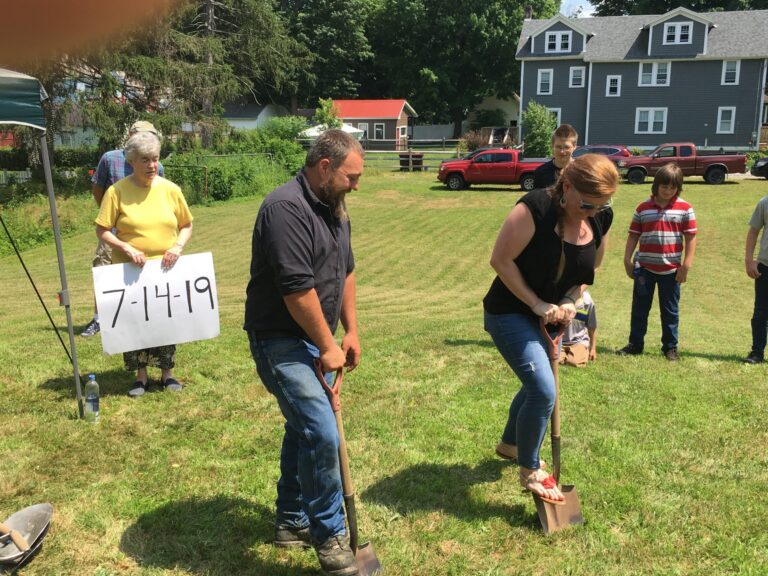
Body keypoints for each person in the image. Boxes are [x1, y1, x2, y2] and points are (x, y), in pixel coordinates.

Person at [245, 129, 364, 576]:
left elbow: (346, 270)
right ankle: (329, 535)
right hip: (278, 339)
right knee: (320, 431)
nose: (356, 185)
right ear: (325, 167)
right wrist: (328, 344)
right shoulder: (285, 209)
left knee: (303, 427)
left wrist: (349, 331)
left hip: (317, 337)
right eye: (351, 177)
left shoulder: (336, 209)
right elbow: (297, 291)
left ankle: (292, 520)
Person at [484, 154, 618, 504]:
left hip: (554, 315)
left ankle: (511, 444)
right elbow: (500, 260)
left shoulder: (600, 217)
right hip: (509, 311)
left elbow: (589, 273)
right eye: (587, 203)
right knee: (544, 389)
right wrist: (536, 303)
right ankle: (530, 468)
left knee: (537, 383)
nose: (593, 212)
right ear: (568, 186)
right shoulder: (535, 209)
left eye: (602, 204)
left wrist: (572, 299)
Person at [95, 131, 193, 397]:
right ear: (131, 162)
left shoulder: (171, 189)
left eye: (155, 159)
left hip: (165, 270)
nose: (151, 165)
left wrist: (177, 246)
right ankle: (140, 377)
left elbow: (186, 224)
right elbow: (102, 230)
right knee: (136, 322)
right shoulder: (116, 191)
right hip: (129, 271)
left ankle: (167, 373)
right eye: (144, 160)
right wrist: (125, 246)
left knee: (165, 321)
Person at [81, 120, 165, 337]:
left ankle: (139, 317)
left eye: (150, 137)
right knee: (104, 272)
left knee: (143, 276)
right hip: (114, 232)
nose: (145, 141)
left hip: (143, 233)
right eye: (140, 136)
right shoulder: (110, 158)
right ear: (130, 135)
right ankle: (99, 319)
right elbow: (97, 188)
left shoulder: (158, 167)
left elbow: (158, 195)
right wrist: (109, 216)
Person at [617, 163, 697, 361]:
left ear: (678, 188)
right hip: (644, 270)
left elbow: (691, 238)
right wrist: (627, 259)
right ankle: (635, 344)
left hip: (671, 271)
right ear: (656, 185)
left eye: (673, 187)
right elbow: (633, 236)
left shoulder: (685, 209)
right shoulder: (643, 208)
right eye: (664, 186)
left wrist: (686, 265)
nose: (668, 191)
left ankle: (670, 347)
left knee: (670, 312)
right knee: (639, 310)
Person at [743, 194, 768, 364]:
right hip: (765, 266)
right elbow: (753, 231)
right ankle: (757, 352)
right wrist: (749, 260)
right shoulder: (765, 203)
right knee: (761, 312)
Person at [532, 124, 578, 190]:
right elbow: (536, 199)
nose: (562, 151)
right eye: (558, 147)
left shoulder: (581, 172)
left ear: (574, 147)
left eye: (566, 147)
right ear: (552, 146)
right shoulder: (540, 172)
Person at [559, 289, 597, 368]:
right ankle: (563, 354)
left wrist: (593, 348)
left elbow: (592, 327)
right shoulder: (560, 297)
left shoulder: (588, 302)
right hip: (560, 340)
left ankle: (578, 352)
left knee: (574, 362)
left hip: (579, 341)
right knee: (556, 359)